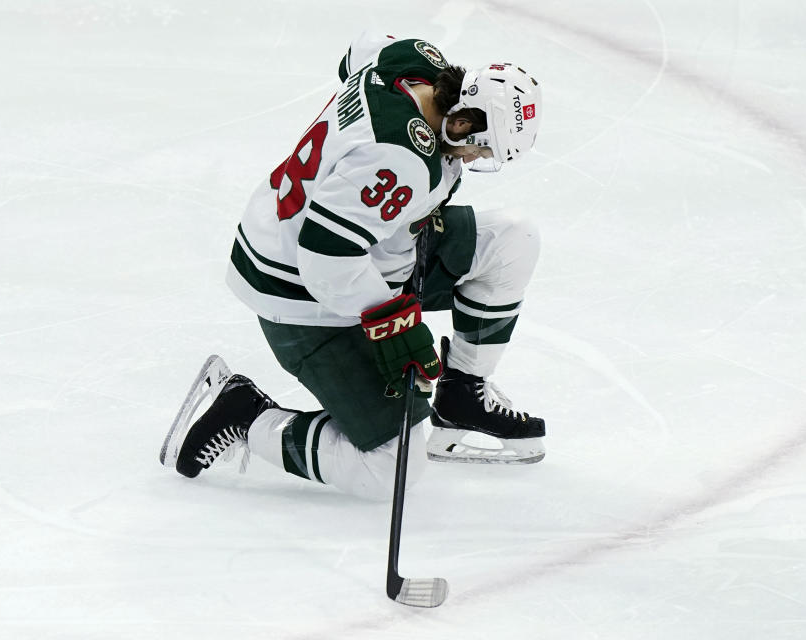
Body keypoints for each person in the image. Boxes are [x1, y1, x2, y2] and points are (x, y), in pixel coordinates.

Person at [159, 33, 546, 500]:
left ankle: (462, 397)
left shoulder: (412, 59)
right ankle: (244, 414)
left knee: (512, 239)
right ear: (462, 121)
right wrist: (396, 324)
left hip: (359, 243)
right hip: (301, 293)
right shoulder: (400, 160)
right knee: (390, 468)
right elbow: (326, 259)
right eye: (481, 149)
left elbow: (356, 53)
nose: (475, 159)